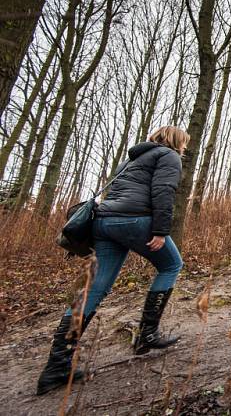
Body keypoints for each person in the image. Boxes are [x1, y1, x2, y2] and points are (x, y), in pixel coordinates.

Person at [36, 126, 189, 395]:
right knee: (171, 265)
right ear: (176, 141)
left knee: (95, 289)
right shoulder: (168, 156)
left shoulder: (129, 159)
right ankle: (147, 334)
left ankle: (56, 366)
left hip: (104, 223)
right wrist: (161, 231)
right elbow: (164, 191)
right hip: (135, 220)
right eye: (184, 143)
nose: (184, 148)